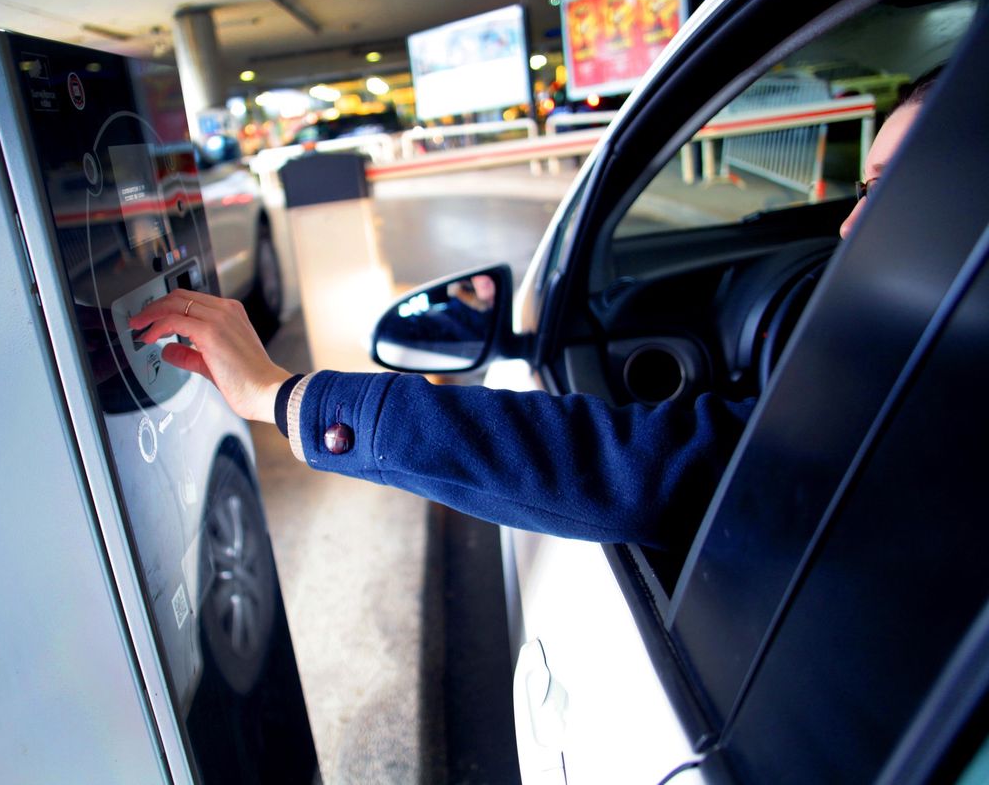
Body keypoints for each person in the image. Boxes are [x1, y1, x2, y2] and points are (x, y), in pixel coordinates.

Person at [127, 70, 937, 550]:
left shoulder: (921, 405)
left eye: (897, 184)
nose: (849, 223)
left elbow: (639, 472)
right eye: (862, 187)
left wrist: (280, 396)